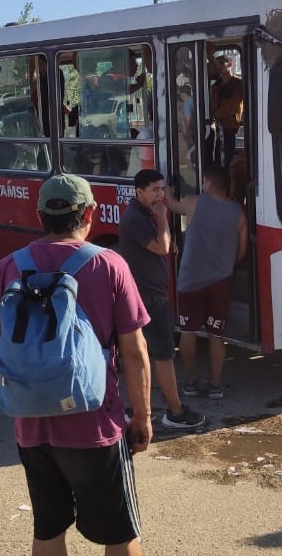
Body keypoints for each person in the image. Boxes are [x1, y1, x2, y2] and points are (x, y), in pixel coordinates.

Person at [0, 174, 152, 556]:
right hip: (94, 422)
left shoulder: (13, 265)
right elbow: (135, 351)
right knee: (119, 534)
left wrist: (5, 374)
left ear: (40, 213)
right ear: (90, 213)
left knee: (48, 531)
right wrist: (141, 416)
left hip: (31, 424)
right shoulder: (108, 265)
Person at [118, 168, 205, 430]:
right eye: (154, 190)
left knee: (141, 355)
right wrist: (163, 219)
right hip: (150, 299)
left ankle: (138, 410)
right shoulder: (136, 217)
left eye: (162, 189)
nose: (160, 195)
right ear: (139, 192)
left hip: (146, 296)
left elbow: (160, 248)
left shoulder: (143, 214)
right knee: (163, 356)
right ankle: (176, 413)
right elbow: (162, 247)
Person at [168, 162, 248, 400]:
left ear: (209, 183)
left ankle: (191, 382)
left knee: (188, 332)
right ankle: (216, 385)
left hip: (189, 282)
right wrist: (225, 267)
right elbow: (241, 252)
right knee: (216, 336)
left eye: (204, 181)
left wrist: (170, 192)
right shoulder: (238, 213)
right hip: (220, 283)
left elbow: (172, 205)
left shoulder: (195, 202)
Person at [209, 54, 244, 167]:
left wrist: (216, 114)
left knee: (229, 156)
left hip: (230, 127)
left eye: (220, 63)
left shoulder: (238, 84)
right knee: (216, 156)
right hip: (216, 127)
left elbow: (232, 105)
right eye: (216, 64)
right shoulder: (215, 86)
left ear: (230, 64)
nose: (218, 66)